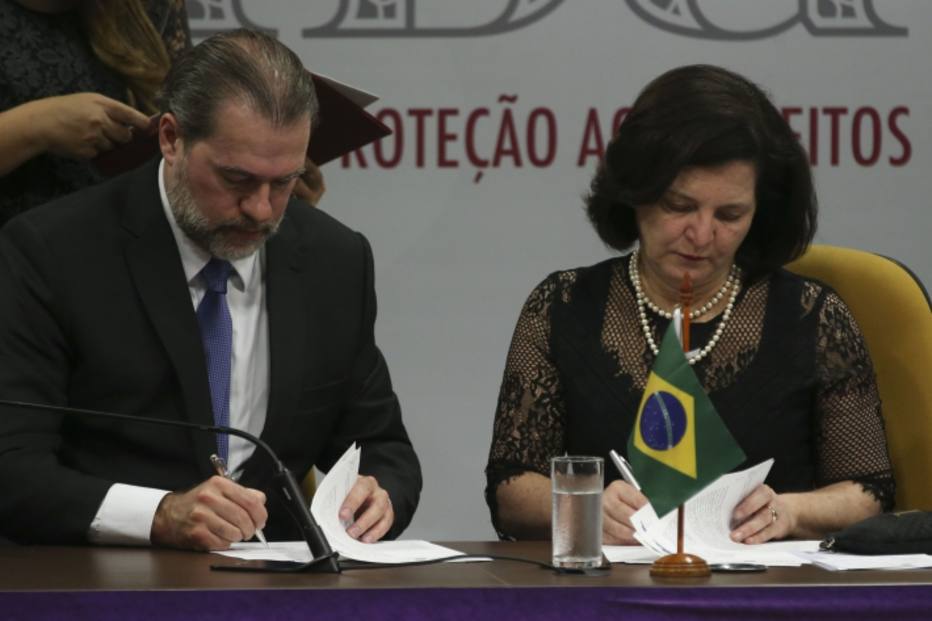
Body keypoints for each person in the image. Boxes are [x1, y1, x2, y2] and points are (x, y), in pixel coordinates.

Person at [0, 29, 421, 550]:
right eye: (237, 179)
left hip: (278, 581)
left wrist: (380, 497)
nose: (261, 210)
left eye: (284, 182)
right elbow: (12, 468)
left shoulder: (334, 261)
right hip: (100, 575)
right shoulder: (53, 252)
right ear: (171, 138)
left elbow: (382, 448)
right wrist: (157, 514)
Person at [485, 64, 894, 546]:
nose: (701, 235)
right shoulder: (562, 308)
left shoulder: (814, 318)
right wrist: (582, 504)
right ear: (635, 194)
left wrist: (791, 511)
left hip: (767, 582)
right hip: (609, 584)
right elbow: (510, 491)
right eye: (679, 207)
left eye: (730, 214)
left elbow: (869, 490)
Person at [0, 0, 323, 227]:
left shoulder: (150, 8)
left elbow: (179, 128)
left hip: (126, 243)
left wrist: (259, 177)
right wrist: (36, 126)